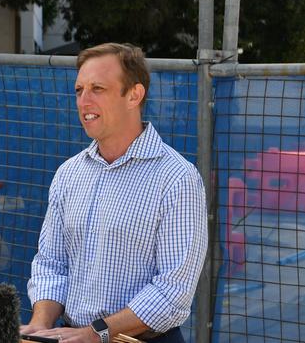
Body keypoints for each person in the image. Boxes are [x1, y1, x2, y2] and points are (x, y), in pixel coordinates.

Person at [20, 43, 208, 343]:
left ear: (134, 95)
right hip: (72, 337)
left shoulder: (177, 178)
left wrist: (98, 333)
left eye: (98, 88)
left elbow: (173, 292)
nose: (84, 101)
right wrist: (41, 323)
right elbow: (51, 263)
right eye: (79, 90)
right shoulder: (69, 174)